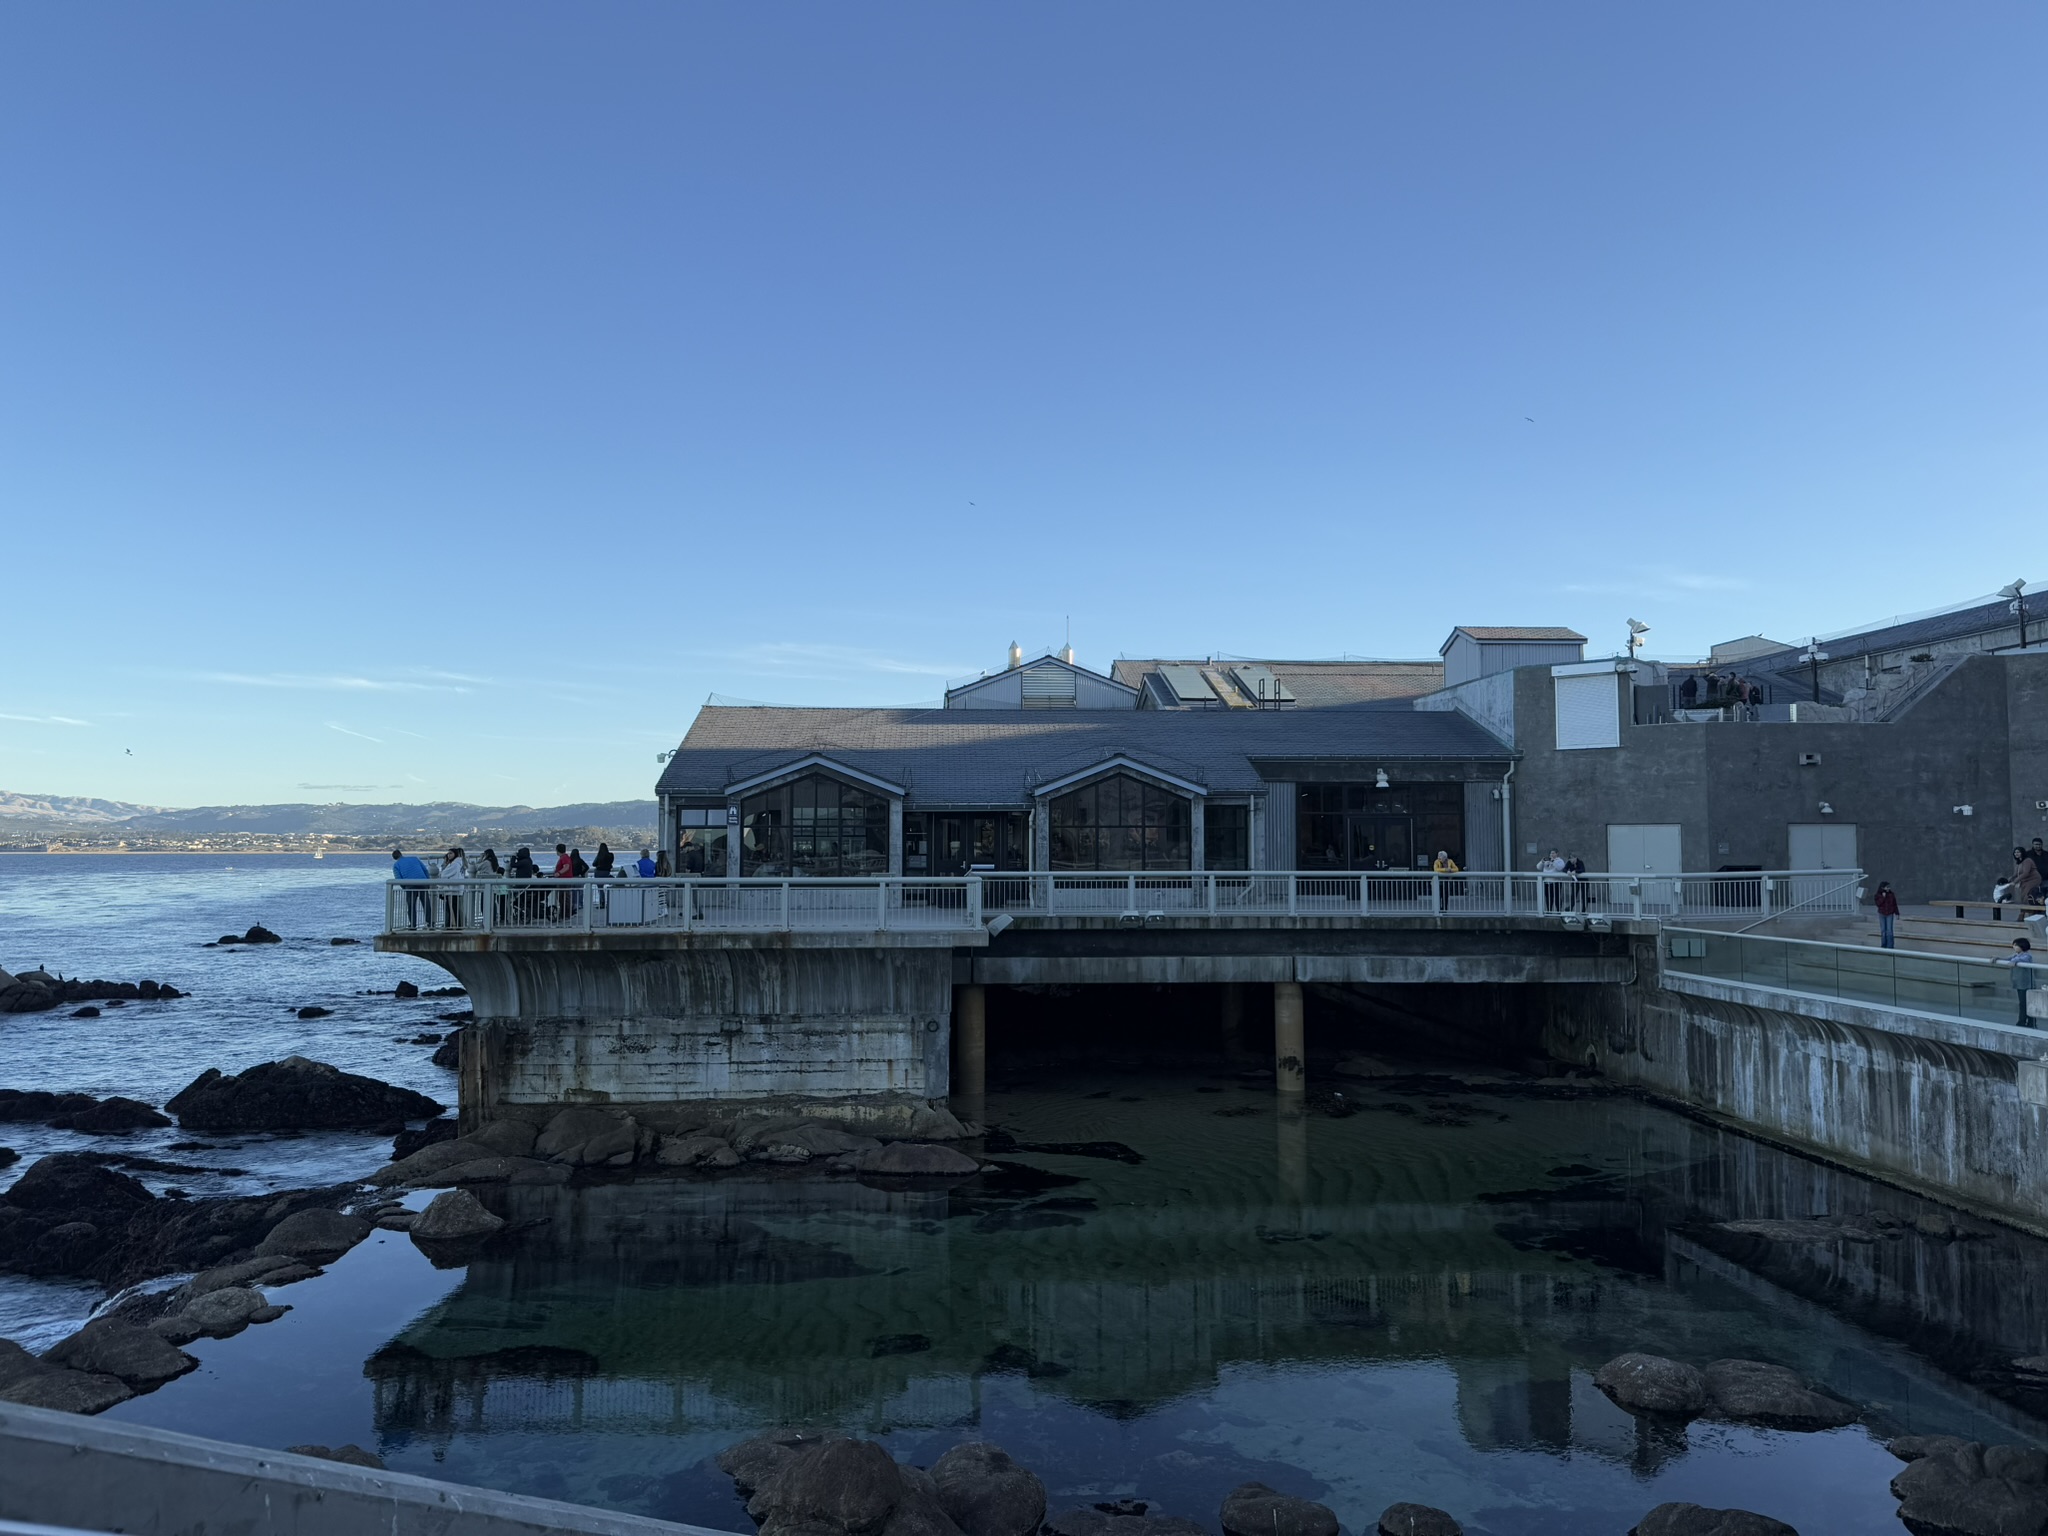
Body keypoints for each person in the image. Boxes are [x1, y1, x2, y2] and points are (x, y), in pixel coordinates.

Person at [1998, 937, 2038, 1027]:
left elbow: (2023, 960)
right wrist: (1998, 959)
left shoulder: (2027, 956)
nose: (2014, 947)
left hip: (2027, 984)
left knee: (2026, 1003)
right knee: (2023, 1003)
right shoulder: (2016, 955)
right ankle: (2024, 1021)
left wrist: (2014, 961)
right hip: (2020, 984)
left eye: (2016, 945)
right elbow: (2008, 959)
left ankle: (2026, 1022)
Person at [391, 847, 433, 929]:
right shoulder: (415, 859)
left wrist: (405, 888)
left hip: (410, 885)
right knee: (426, 904)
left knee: (411, 906)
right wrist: (428, 882)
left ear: (394, 858)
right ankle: (430, 923)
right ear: (401, 854)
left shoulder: (396, 865)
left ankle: (413, 925)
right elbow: (425, 870)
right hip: (423, 883)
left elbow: (399, 879)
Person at [437, 846, 468, 929]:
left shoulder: (455, 864)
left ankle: (454, 925)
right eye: (448, 854)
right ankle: (456, 925)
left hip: (452, 889)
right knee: (455, 908)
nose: (449, 855)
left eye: (451, 853)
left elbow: (444, 874)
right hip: (456, 889)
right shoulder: (459, 863)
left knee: (453, 909)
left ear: (455, 854)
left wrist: (441, 885)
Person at [1874, 880, 1900, 949]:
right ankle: (1883, 945)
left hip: (1890, 913)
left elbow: (1894, 904)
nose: (1888, 888)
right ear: (1883, 888)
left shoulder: (1891, 894)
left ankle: (1890, 946)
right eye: (1887, 887)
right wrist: (1883, 897)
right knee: (1883, 930)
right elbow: (1878, 904)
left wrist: (1897, 913)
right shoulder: (1878, 895)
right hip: (1882, 913)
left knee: (1889, 930)